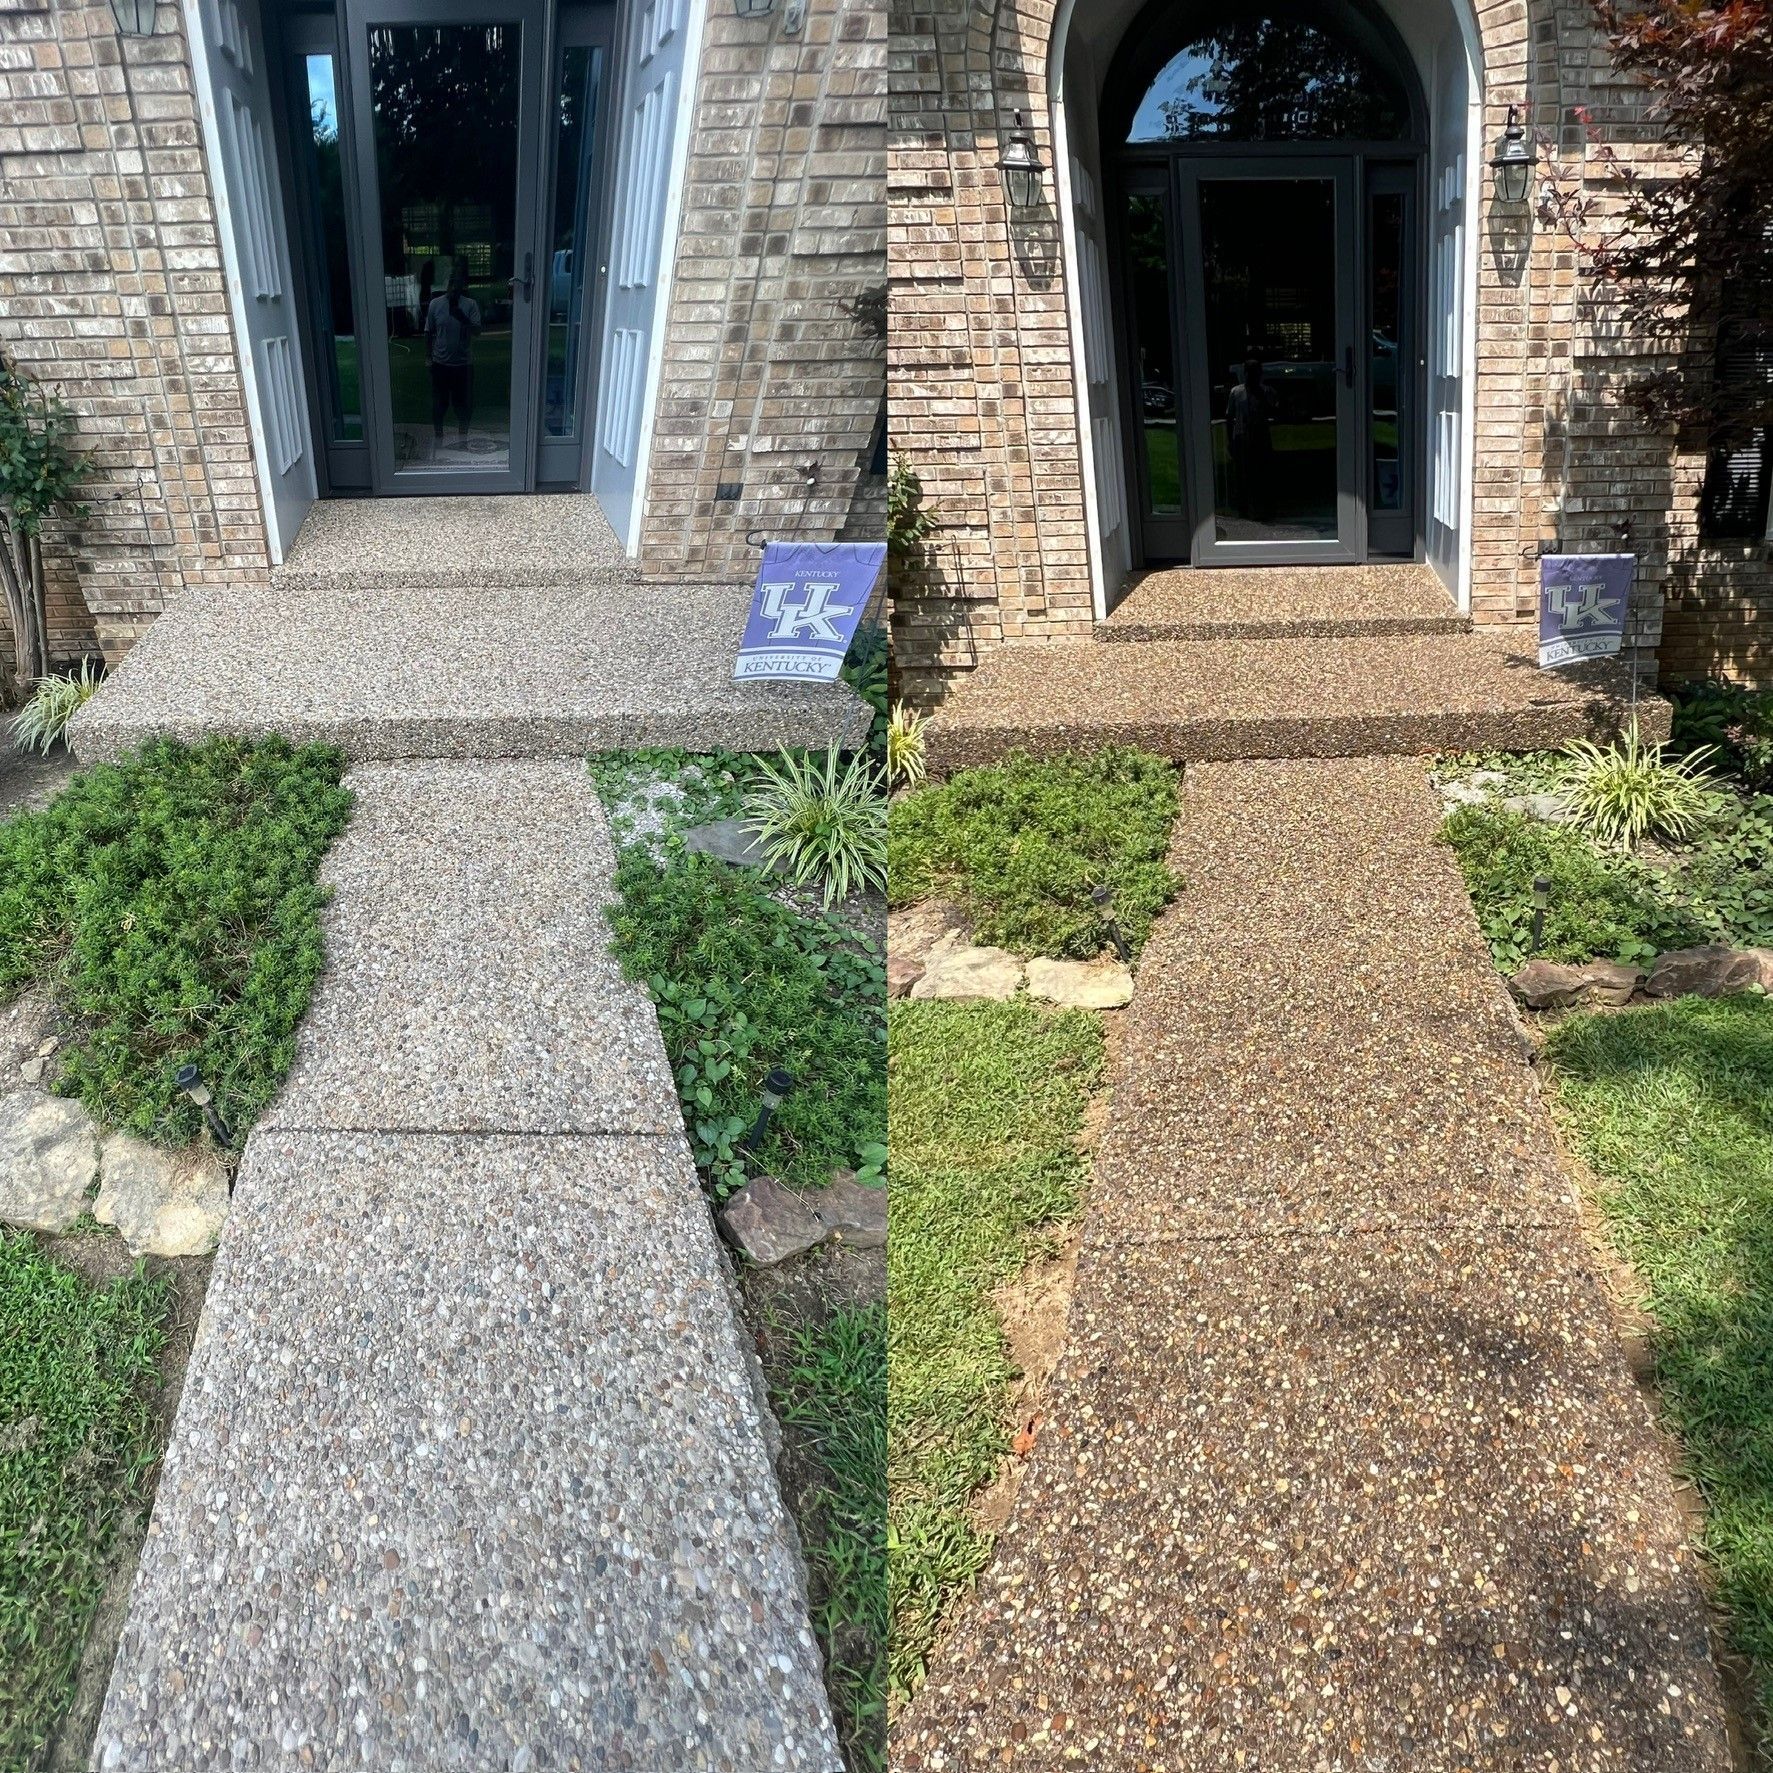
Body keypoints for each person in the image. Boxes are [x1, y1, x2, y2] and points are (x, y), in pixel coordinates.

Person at [424, 266, 481, 450]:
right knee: (439, 403)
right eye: (451, 283)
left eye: (457, 283)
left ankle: (463, 438)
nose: (454, 287)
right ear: (446, 285)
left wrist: (462, 317)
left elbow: (478, 331)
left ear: (463, 286)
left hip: (463, 364)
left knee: (463, 404)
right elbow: (428, 331)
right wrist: (428, 357)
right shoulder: (435, 304)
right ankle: (438, 436)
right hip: (440, 363)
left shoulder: (470, 304)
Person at [1225, 357, 1274, 522]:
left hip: (1260, 438)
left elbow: (1272, 410)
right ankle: (1243, 508)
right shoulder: (1236, 392)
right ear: (1245, 374)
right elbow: (1229, 417)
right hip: (1242, 438)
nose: (1253, 377)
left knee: (1260, 473)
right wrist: (1230, 441)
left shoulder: (1265, 392)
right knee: (1243, 473)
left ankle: (1261, 507)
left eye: (1256, 373)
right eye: (1250, 373)